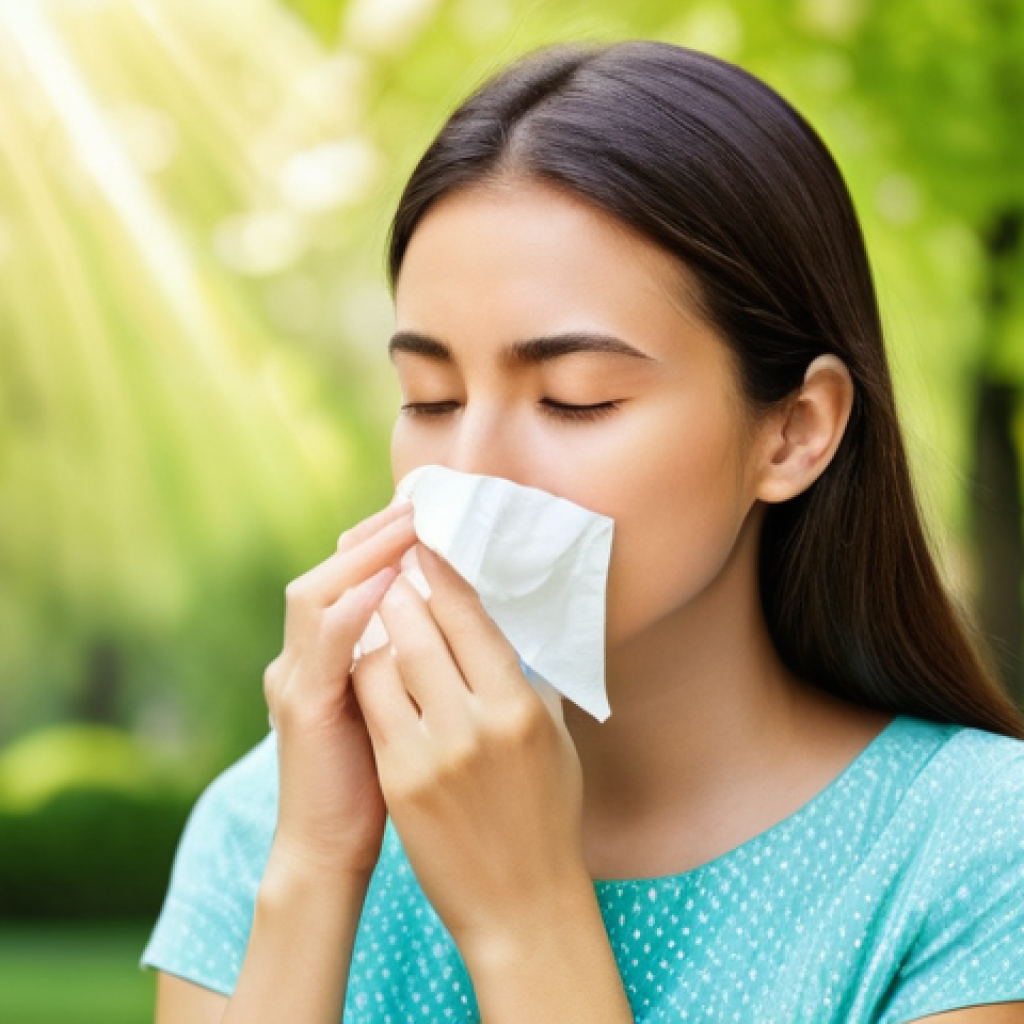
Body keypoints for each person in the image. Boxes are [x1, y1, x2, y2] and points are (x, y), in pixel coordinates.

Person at [142, 39, 1024, 1024]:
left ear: (793, 430)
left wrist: (525, 918)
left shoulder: (977, 853)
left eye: (574, 400)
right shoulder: (271, 820)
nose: (467, 470)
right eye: (429, 397)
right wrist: (313, 863)